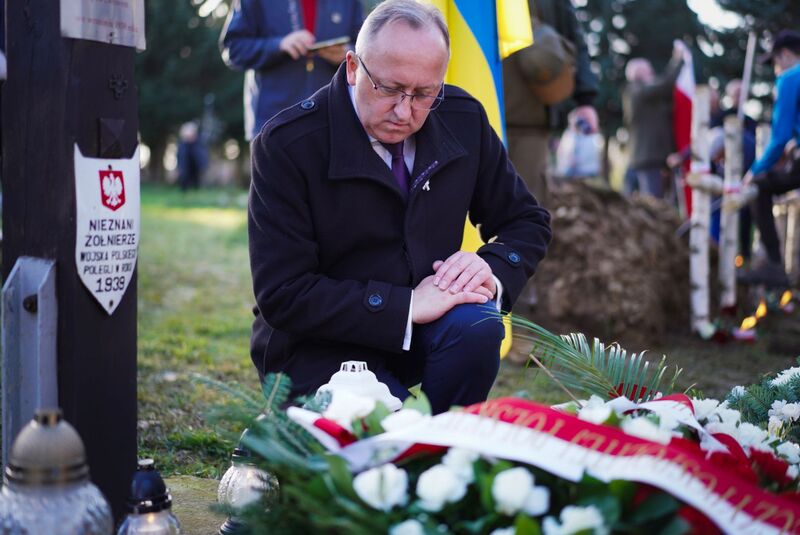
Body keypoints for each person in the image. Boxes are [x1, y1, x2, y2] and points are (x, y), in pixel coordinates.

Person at [247, 0, 552, 414]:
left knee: (477, 324)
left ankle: (447, 446)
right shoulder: (287, 144)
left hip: (423, 335)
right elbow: (283, 294)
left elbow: (526, 221)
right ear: (353, 68)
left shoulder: (462, 119)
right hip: (314, 345)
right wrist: (405, 306)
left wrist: (491, 272)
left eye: (425, 93)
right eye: (389, 89)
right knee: (385, 447)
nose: (405, 111)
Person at [502, 0, 598, 310]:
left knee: (525, 215)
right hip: (475, 109)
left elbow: (573, 38)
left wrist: (586, 99)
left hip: (530, 123)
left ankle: (520, 310)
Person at [219, 0, 363, 140]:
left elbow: (366, 49)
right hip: (274, 125)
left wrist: (348, 54)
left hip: (334, 121)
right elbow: (233, 49)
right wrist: (278, 46)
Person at [735, 30, 800, 287]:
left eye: (774, 62)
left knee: (760, 185)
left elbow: (780, 135)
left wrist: (754, 170)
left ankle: (774, 264)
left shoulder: (790, 77)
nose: (774, 69)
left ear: (785, 55)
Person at [622, 43, 684, 199]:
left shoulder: (646, 96)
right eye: (648, 69)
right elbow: (666, 84)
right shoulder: (636, 91)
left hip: (657, 158)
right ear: (638, 74)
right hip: (648, 158)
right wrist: (677, 60)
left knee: (661, 203)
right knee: (652, 203)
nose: (652, 72)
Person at [176, 122, 207, 191]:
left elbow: (202, 155)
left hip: (196, 165)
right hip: (185, 166)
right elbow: (179, 156)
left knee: (196, 179)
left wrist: (203, 164)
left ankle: (196, 191)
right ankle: (184, 191)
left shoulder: (198, 143)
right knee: (184, 178)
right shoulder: (182, 144)